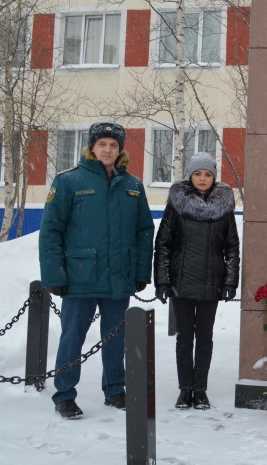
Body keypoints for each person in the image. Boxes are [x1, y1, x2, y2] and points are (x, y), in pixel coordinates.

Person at [39, 122, 155, 419]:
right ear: (92, 148)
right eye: (102, 144)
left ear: (120, 150)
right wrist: (54, 275)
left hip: (119, 277)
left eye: (113, 145)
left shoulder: (132, 185)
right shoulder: (68, 181)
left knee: (116, 338)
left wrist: (141, 272)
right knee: (72, 338)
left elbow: (144, 231)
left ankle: (115, 389)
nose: (107, 149)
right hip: (80, 276)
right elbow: (51, 231)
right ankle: (64, 395)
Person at [153, 151, 240, 411]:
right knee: (184, 338)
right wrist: (162, 281)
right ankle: (185, 390)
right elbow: (163, 245)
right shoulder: (177, 204)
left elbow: (232, 247)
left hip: (210, 282)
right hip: (182, 281)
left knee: (204, 338)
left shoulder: (224, 207)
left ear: (214, 177)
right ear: (190, 176)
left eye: (208, 174)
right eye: (198, 174)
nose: (203, 178)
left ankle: (200, 390)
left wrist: (229, 282)